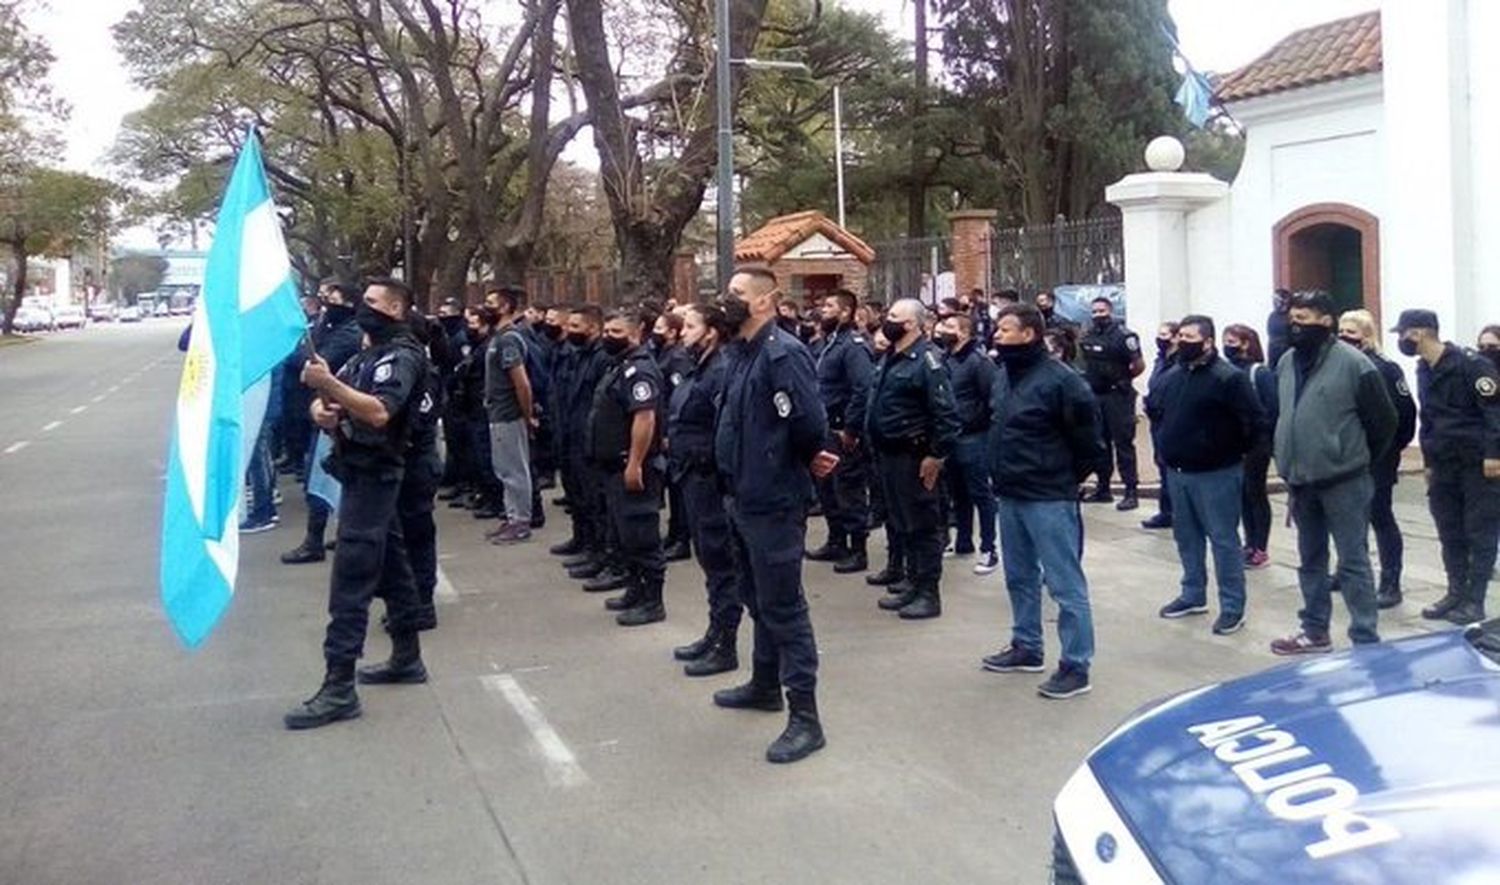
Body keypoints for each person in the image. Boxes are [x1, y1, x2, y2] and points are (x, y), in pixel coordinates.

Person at [284, 278, 433, 730]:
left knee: (352, 575)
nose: (360, 308)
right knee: (393, 566)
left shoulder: (402, 356)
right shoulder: (367, 353)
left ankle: (339, 684)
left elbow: (380, 410)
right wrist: (322, 408)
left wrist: (330, 385)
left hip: (378, 472)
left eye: (371, 302)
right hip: (356, 468)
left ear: (395, 308)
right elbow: (331, 398)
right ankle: (407, 656)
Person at [712, 266, 838, 764]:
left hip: (773, 501)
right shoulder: (740, 352)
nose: (728, 300)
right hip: (741, 497)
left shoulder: (781, 354)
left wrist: (811, 454)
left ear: (765, 302)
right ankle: (764, 684)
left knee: (785, 608)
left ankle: (805, 718)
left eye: (738, 294)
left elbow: (808, 421)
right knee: (756, 598)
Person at [981, 302, 1103, 699]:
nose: (997, 334)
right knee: (1019, 577)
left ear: (1029, 335)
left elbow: (1089, 444)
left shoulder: (1063, 382)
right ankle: (1027, 646)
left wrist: (1064, 479)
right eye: (998, 328)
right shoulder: (1004, 376)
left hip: (1049, 497)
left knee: (1065, 585)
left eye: (1006, 329)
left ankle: (1076, 664)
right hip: (1010, 493)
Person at [1269, 291, 1396, 655]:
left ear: (1327, 321)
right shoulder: (1287, 361)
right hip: (1301, 480)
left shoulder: (1356, 364)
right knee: (1310, 559)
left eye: (1304, 318)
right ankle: (1314, 629)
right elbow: (1284, 413)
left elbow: (1384, 422)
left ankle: (1365, 637)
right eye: (1292, 317)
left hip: (1345, 480)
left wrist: (1353, 457)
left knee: (1353, 561)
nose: (1295, 325)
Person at [1146, 315, 1265, 635]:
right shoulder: (1174, 373)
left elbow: (1253, 422)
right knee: (1187, 537)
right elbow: (1158, 409)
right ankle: (1193, 593)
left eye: (1189, 337)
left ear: (1208, 342)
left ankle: (1232, 607)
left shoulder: (1228, 378)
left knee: (1223, 541)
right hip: (1178, 471)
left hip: (1217, 473)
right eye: (1179, 336)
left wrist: (1228, 452)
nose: (1181, 341)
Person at [1395, 310, 1500, 625]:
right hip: (1443, 464)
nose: (1402, 340)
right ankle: (1455, 592)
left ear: (1423, 332)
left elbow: (1494, 412)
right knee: (1449, 530)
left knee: (1479, 531)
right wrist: (1427, 462)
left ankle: (1475, 600)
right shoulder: (1424, 368)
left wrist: (1494, 455)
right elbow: (1427, 419)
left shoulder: (1472, 365)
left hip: (1476, 464)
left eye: (1405, 334)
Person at [866, 298, 961, 619]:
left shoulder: (928, 361)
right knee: (902, 523)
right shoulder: (893, 356)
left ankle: (928, 593)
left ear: (911, 324)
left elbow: (946, 415)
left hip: (914, 456)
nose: (886, 321)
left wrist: (935, 456)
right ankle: (913, 581)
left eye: (894, 316)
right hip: (888, 455)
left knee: (922, 526)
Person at [667, 303, 743, 675]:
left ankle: (725, 644)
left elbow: (724, 429)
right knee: (709, 562)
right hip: (692, 477)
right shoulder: (700, 366)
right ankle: (714, 632)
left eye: (691, 326)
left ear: (711, 331)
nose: (683, 332)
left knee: (721, 562)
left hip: (711, 480)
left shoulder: (722, 369)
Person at [587, 309, 669, 626]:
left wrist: (635, 462)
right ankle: (635, 590)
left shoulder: (640, 371)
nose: (608, 336)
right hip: (613, 466)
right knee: (626, 535)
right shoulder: (619, 365)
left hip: (634, 466)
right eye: (606, 330)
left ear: (636, 334)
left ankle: (653, 601)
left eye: (616, 331)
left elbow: (644, 418)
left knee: (642, 534)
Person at [1337, 310, 1417, 607]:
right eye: (1341, 330)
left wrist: (1392, 448)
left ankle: (1390, 582)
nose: (1344, 337)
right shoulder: (1338, 366)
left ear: (1367, 335)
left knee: (1380, 517)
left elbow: (1405, 414)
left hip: (1378, 457)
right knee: (1348, 517)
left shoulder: (1385, 369)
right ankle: (1350, 571)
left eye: (1352, 332)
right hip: (1347, 456)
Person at [282, 280, 363, 565]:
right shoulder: (326, 326)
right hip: (325, 411)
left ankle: (322, 539)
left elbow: (314, 362)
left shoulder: (351, 332)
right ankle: (318, 538)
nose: (327, 302)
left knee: (331, 477)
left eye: (334, 298)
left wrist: (302, 351)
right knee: (319, 478)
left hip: (344, 414)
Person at [807, 289, 874, 573]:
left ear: (846, 312)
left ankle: (858, 549)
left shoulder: (853, 346)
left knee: (848, 489)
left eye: (831, 305)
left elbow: (862, 389)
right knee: (827, 488)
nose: (824, 309)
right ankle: (837, 539)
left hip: (842, 430)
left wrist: (851, 428)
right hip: (824, 427)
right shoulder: (829, 343)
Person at [935, 311, 1000, 574]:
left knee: (980, 493)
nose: (942, 329)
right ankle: (963, 541)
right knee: (957, 492)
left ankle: (989, 548)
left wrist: (981, 427)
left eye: (949, 326)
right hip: (951, 437)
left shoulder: (979, 362)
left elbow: (992, 400)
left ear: (964, 332)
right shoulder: (945, 359)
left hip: (975, 437)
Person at [1079, 295, 1145, 510]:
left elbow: (1138, 364)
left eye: (1102, 311)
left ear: (1110, 311)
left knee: (1123, 443)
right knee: (1100, 443)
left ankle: (1131, 491)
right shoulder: (1088, 334)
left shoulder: (1124, 336)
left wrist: (1122, 380)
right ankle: (1103, 488)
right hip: (1096, 395)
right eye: (1095, 311)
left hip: (1118, 395)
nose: (1098, 315)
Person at [481, 287, 536, 544]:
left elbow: (521, 383)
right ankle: (512, 515)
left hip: (508, 413)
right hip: (497, 412)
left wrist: (527, 415)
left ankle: (521, 521)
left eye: (490, 303)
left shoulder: (509, 339)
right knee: (503, 468)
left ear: (504, 308)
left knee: (514, 469)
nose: (485, 307)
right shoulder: (498, 337)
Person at [1221, 325, 1279, 569]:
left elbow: (1273, 408)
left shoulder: (1260, 373)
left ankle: (1260, 547)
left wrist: (1262, 435)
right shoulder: (1227, 371)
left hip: (1257, 443)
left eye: (1232, 340)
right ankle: (1249, 542)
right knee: (1242, 494)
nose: (1227, 345)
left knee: (1255, 492)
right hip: (1235, 442)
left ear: (1246, 343)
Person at [653, 310, 696, 562]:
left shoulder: (678, 357)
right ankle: (674, 533)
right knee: (671, 486)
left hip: (674, 430)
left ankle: (682, 539)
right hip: (666, 426)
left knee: (678, 488)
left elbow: (678, 397)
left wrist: (669, 430)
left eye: (660, 328)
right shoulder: (664, 353)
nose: (655, 332)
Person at [1140, 321, 1180, 530]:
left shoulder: (1179, 363)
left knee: (1171, 466)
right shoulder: (1161, 360)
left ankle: (1177, 511)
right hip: (1156, 420)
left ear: (1175, 338)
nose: (1161, 339)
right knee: (1161, 464)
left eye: (1165, 335)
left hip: (1170, 420)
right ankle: (1166, 511)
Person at [1266, 288, 1292, 369]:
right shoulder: (1272, 316)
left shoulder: (1292, 316)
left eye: (1280, 299)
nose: (1277, 302)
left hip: (1288, 351)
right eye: (1275, 299)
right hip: (1274, 351)